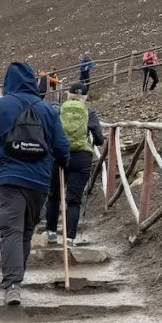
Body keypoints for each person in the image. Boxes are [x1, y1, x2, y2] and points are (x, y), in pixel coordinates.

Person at [0, 62, 70, 305]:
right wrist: (63, 162)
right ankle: (16, 281)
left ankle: (12, 285)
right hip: (39, 180)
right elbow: (62, 148)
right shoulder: (48, 110)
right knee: (26, 231)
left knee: (11, 230)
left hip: (9, 176)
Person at [45, 82, 103, 249]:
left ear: (68, 95)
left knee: (54, 195)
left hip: (58, 155)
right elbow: (99, 139)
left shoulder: (58, 109)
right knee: (74, 200)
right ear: (85, 97)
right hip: (82, 157)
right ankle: (69, 238)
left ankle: (51, 233)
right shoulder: (89, 112)